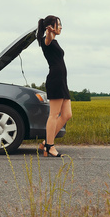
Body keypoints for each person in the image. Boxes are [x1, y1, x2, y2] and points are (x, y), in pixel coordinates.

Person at [36, 15, 72, 157]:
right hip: (55, 80)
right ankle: (50, 146)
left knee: (67, 114)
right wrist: (49, 33)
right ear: (51, 26)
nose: (61, 27)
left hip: (62, 81)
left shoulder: (55, 42)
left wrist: (51, 34)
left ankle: (46, 143)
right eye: (59, 24)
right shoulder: (47, 40)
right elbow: (48, 39)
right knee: (53, 114)